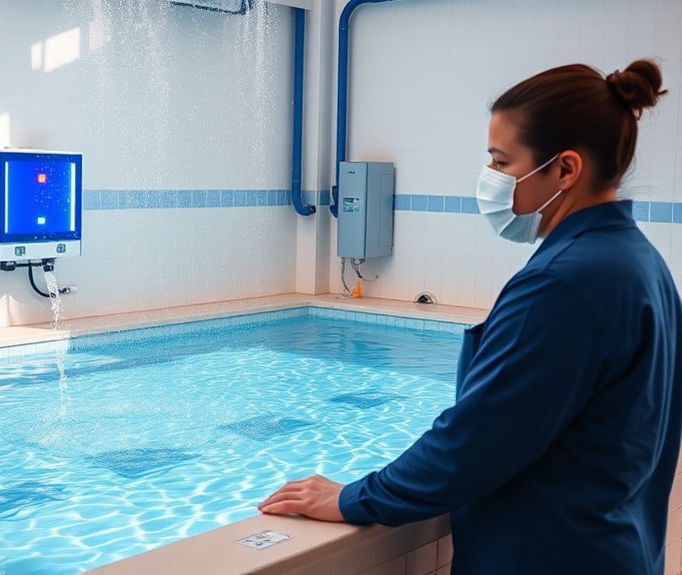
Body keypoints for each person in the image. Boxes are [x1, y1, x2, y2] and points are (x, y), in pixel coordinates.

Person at [259, 59, 681, 575]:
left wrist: (351, 499)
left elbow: (476, 443)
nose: (491, 179)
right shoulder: (640, 263)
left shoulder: (565, 283)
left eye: (502, 163)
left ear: (566, 170)